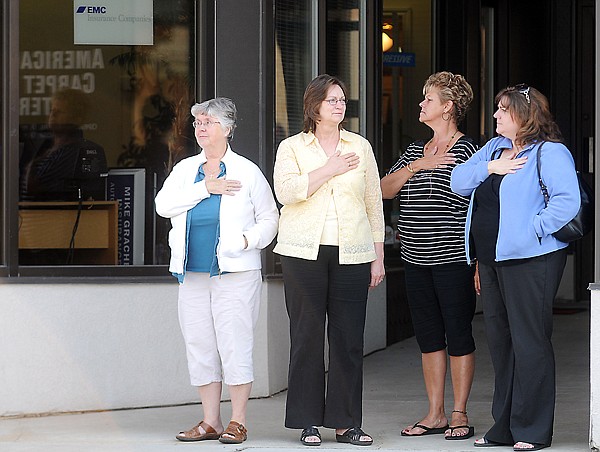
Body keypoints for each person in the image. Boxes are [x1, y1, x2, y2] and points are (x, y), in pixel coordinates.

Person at [450, 84, 580, 451]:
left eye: (502, 110)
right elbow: (458, 181)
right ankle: (502, 428)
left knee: (530, 341)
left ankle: (533, 430)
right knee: (502, 344)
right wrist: (491, 167)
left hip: (532, 260)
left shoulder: (551, 153)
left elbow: (566, 202)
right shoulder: (494, 149)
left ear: (524, 115)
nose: (495, 116)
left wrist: (532, 230)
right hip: (492, 260)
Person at [155, 97, 279, 444]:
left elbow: (271, 218)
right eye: (197, 123)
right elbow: (162, 205)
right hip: (191, 273)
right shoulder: (185, 170)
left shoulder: (247, 171)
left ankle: (238, 420)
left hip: (235, 274)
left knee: (234, 342)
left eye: (208, 122)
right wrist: (204, 188)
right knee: (199, 343)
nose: (201, 128)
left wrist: (244, 241)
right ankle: (210, 420)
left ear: (227, 128)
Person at [273, 74, 385, 447]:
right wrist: (328, 169)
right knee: (306, 337)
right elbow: (286, 192)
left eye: (342, 99)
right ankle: (307, 421)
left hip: (352, 251)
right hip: (302, 253)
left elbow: (373, 203)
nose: (339, 105)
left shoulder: (361, 146)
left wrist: (378, 255)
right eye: (332, 99)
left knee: (349, 338)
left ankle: (346, 422)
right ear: (313, 106)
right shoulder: (292, 147)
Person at [380, 71, 478, 440]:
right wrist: (417, 166)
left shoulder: (468, 151)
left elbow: (477, 206)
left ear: (448, 107)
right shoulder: (412, 151)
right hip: (414, 260)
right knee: (429, 338)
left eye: (428, 100)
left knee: (458, 334)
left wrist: (480, 260)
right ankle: (435, 412)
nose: (421, 105)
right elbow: (385, 190)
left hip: (453, 260)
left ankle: (459, 413)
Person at [20, 88, 107, 202]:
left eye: (59, 111)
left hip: (52, 216)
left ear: (76, 118)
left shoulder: (77, 151)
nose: (53, 115)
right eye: (52, 110)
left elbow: (37, 186)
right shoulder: (43, 147)